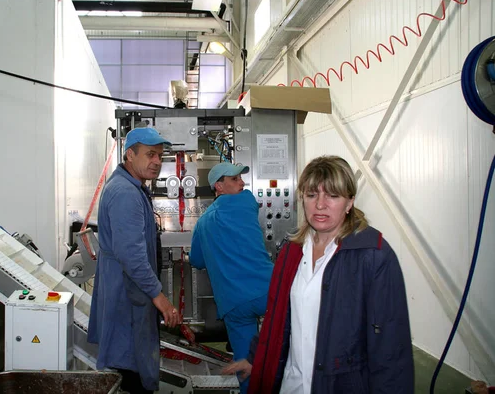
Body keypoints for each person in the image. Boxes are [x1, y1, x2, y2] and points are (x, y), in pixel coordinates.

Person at [224, 155, 414, 394]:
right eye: (312, 195)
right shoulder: (292, 251)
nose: (320, 205)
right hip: (292, 386)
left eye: (333, 196)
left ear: (349, 202)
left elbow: (391, 347)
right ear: (302, 198)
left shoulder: (373, 256)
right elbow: (276, 317)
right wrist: (255, 358)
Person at [87, 127, 182, 394]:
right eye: (150, 154)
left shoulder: (130, 187)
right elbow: (132, 256)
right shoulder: (125, 193)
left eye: (160, 156)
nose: (156, 161)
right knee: (132, 368)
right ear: (130, 154)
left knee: (131, 362)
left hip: (128, 290)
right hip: (127, 294)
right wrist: (161, 300)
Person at [190, 162, 274, 393]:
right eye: (235, 179)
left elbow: (196, 260)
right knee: (282, 347)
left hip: (234, 303)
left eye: (240, 178)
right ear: (219, 185)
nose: (242, 183)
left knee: (246, 363)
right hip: (268, 291)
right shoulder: (247, 201)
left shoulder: (203, 222)